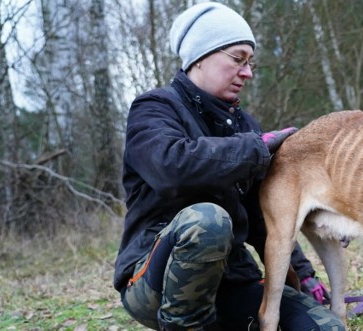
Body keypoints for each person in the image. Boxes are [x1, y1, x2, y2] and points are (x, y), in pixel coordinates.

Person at [112, 2, 344, 330]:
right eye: (238, 59)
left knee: (325, 327)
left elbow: (265, 218)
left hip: (232, 280)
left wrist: (304, 275)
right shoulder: (154, 109)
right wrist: (256, 148)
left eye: (250, 63)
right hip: (153, 283)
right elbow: (171, 168)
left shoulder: (244, 126)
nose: (247, 72)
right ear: (201, 57)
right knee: (208, 220)